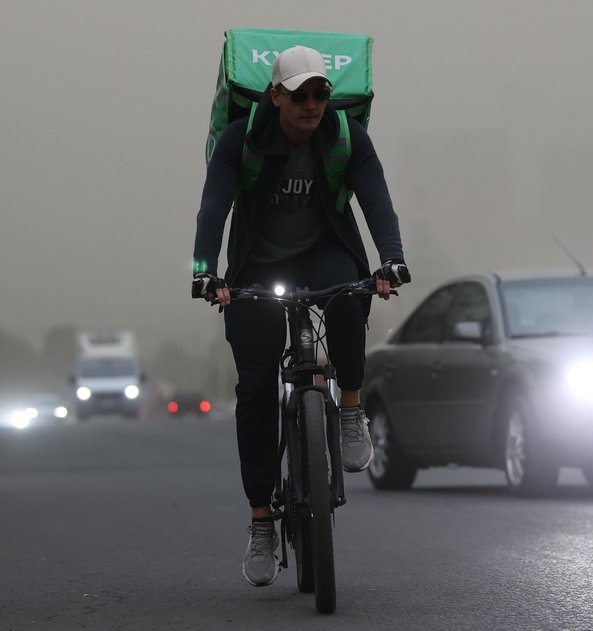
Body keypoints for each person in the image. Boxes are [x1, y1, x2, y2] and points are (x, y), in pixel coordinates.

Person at [191, 45, 410, 587]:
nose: (312, 105)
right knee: (257, 385)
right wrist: (205, 271)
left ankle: (351, 410)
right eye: (300, 95)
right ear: (276, 96)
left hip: (324, 252)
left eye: (321, 94)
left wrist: (392, 259)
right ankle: (261, 520)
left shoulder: (345, 138)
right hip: (256, 267)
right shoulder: (241, 141)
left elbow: (376, 200)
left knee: (348, 299)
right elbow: (214, 207)